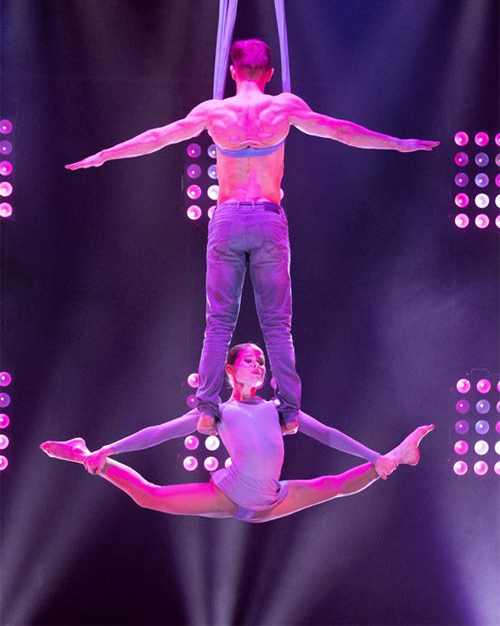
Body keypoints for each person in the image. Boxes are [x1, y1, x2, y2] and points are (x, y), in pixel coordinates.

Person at [65, 39, 440, 436]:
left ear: (232, 72)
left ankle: (207, 409)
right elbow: (342, 132)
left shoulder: (215, 112)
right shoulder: (283, 108)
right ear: (270, 75)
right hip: (267, 219)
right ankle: (291, 413)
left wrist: (105, 153)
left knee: (218, 325)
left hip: (227, 220)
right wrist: (398, 143)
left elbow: (158, 137)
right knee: (277, 326)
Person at [40, 343, 434, 524]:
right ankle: (86, 455)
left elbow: (328, 434)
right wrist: (111, 446)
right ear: (230, 370)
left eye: (262, 361)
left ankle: (391, 459)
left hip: (272, 500)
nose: (259, 366)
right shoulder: (219, 412)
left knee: (336, 484)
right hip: (228, 495)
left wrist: (371, 456)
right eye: (250, 361)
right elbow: (158, 432)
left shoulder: (279, 411)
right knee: (149, 497)